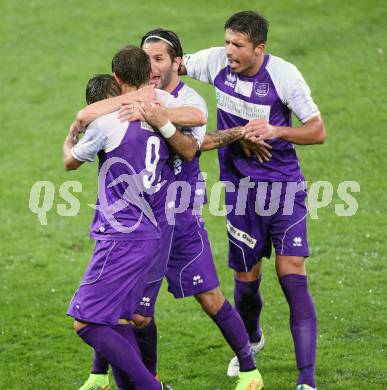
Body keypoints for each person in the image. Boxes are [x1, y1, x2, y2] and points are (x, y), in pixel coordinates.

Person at [79, 29, 264, 390]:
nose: (151, 66)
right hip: (144, 221)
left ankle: (249, 369)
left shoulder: (188, 99)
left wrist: (158, 115)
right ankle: (124, 377)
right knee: (131, 310)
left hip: (180, 217)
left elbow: (191, 148)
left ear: (177, 62)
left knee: (209, 297)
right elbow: (94, 117)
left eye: (159, 58)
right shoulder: (132, 96)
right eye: (146, 59)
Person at [180, 10, 326, 390]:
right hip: (240, 192)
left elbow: (317, 130)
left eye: (238, 46)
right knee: (246, 281)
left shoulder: (284, 75)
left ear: (259, 48)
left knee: (292, 276)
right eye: (227, 41)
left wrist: (275, 130)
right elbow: (170, 66)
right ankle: (253, 338)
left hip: (283, 189)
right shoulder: (215, 61)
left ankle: (306, 379)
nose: (229, 50)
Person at [63, 46, 187, 390]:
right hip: (150, 233)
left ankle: (152, 386)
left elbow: (70, 161)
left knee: (86, 322)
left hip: (121, 236)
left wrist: (70, 135)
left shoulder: (107, 122)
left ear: (118, 80)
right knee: (117, 319)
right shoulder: (157, 116)